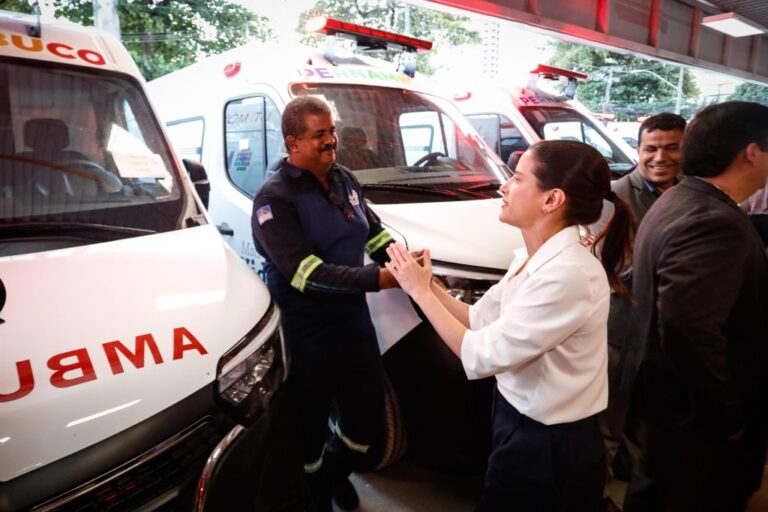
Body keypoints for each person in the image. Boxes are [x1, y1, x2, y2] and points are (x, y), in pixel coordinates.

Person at [386, 140, 634, 511]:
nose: (503, 187)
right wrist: (431, 286)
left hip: (551, 442)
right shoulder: (532, 259)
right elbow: (477, 319)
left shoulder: (568, 274)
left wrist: (419, 293)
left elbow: (480, 356)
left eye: (517, 179)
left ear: (551, 200)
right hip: (517, 419)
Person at [251, 96, 398, 512]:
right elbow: (305, 274)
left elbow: (372, 232)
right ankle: (314, 489)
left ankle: (333, 471)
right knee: (308, 426)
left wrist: (403, 262)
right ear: (293, 142)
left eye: (332, 131)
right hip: (307, 332)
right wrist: (378, 279)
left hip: (353, 324)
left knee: (366, 418)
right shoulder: (274, 199)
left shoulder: (344, 178)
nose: (331, 141)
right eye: (320, 135)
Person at [621, 101, 768, 511]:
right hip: (695, 422)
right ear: (752, 153)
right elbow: (689, 330)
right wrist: (727, 415)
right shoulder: (712, 219)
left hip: (667, 406)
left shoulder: (681, 198)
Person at [598, 113, 686, 489]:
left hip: (662, 336)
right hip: (620, 332)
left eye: (671, 148)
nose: (660, 157)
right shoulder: (615, 197)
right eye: (651, 148)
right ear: (637, 150)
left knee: (644, 425)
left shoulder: (688, 193)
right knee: (607, 427)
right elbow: (611, 270)